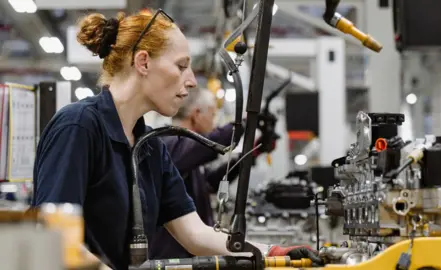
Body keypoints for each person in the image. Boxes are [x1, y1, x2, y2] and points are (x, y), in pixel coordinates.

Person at [31, 8, 323, 270]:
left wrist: (273, 253)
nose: (192, 80)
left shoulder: (150, 146)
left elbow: (196, 234)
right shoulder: (78, 127)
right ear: (143, 62)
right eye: (182, 66)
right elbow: (53, 238)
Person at [150, 88, 244, 259]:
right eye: (212, 114)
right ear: (197, 114)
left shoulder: (187, 154)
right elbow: (212, 143)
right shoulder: (169, 144)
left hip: (192, 253)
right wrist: (243, 124)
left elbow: (210, 181)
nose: (214, 122)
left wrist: (246, 157)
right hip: (174, 257)